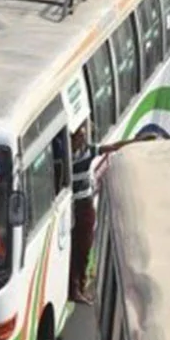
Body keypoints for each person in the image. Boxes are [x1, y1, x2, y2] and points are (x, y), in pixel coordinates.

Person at [68, 124, 95, 304]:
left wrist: (134, 142)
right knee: (74, 251)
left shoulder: (88, 152)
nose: (84, 140)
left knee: (85, 248)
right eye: (80, 137)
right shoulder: (66, 157)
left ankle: (82, 285)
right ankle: (74, 289)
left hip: (86, 205)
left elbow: (110, 147)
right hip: (74, 207)